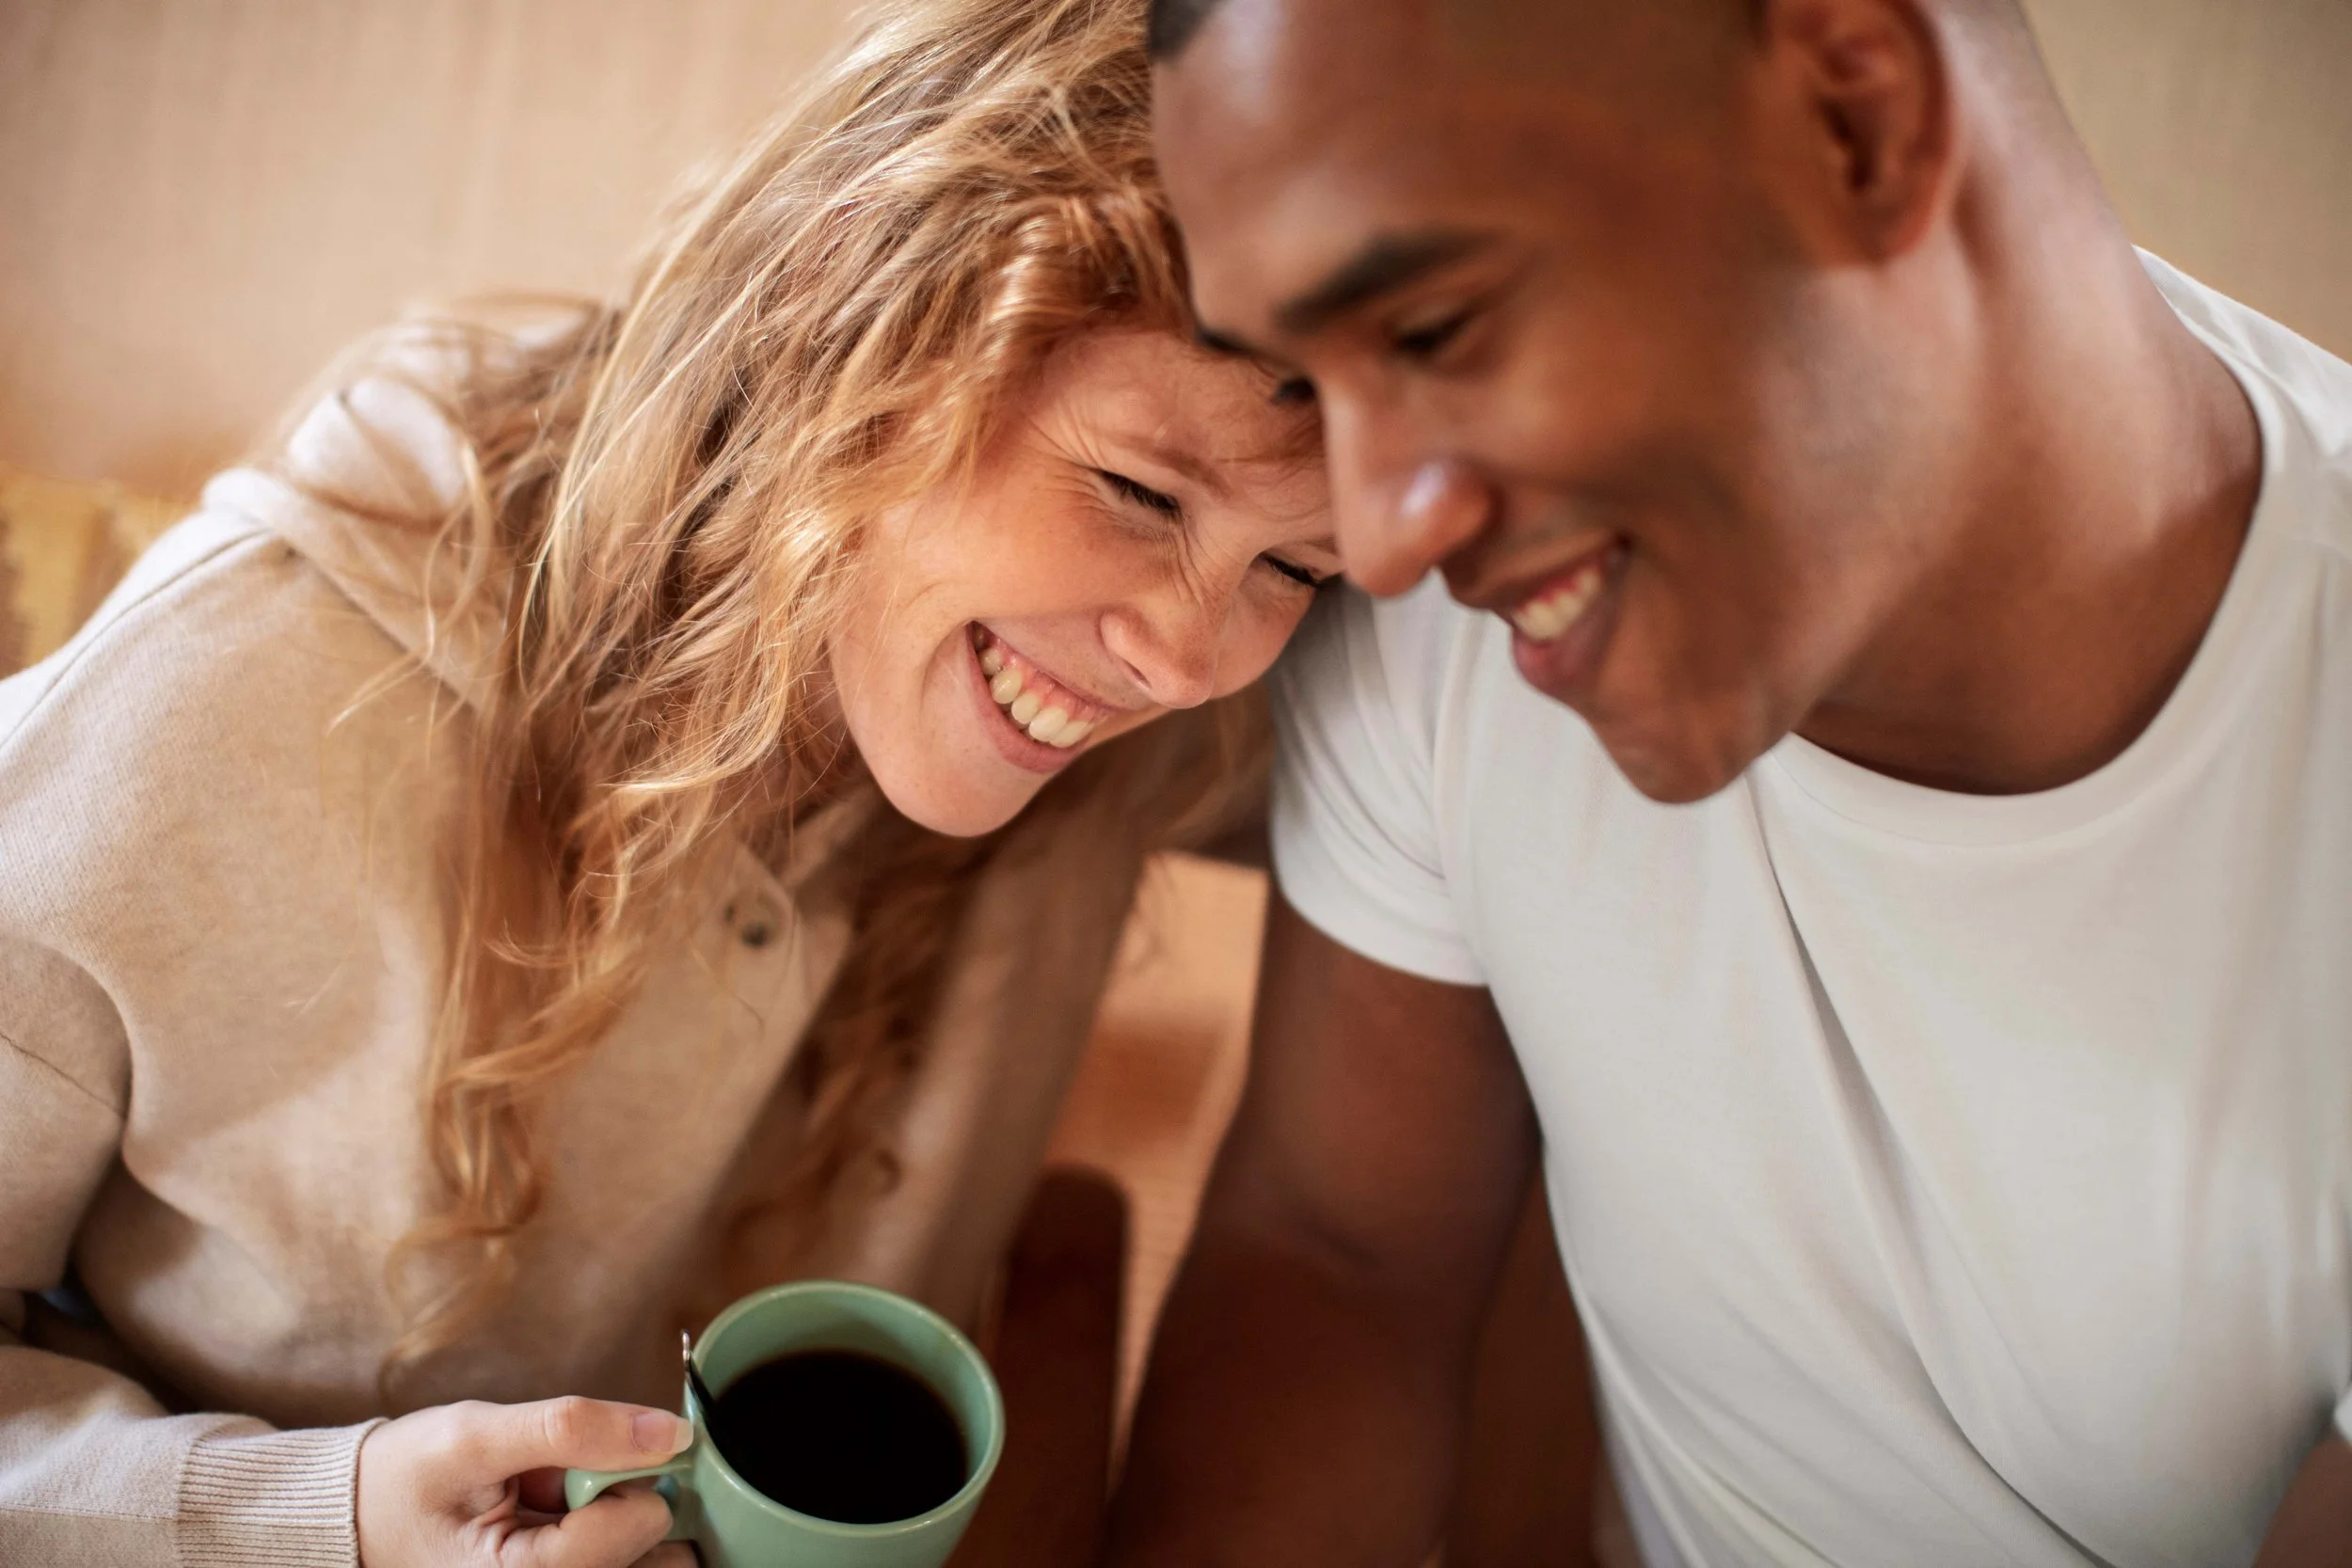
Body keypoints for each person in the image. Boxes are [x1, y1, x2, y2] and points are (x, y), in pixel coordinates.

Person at [0, 0, 1334, 1563]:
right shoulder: (221, 710)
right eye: (1135, 490)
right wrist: (324, 1521)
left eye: (1299, 566)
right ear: (857, 307)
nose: (1188, 659)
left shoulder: (1136, 691)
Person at [1104, 0, 2352, 1563]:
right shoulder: (1472, 608)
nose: (1380, 533)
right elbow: (1340, 1261)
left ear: (1858, 118)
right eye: (1320, 382)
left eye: (1433, 330)